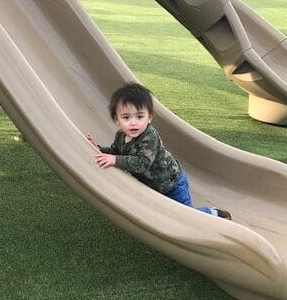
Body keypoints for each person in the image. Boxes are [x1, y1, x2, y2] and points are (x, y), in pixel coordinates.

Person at [86, 83, 232, 220]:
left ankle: (213, 214)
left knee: (186, 217)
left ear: (149, 117)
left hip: (172, 183)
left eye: (139, 116)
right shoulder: (121, 136)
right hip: (154, 187)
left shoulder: (150, 136)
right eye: (126, 117)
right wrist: (98, 148)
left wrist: (115, 160)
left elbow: (142, 163)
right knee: (167, 216)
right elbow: (115, 151)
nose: (133, 122)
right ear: (117, 120)